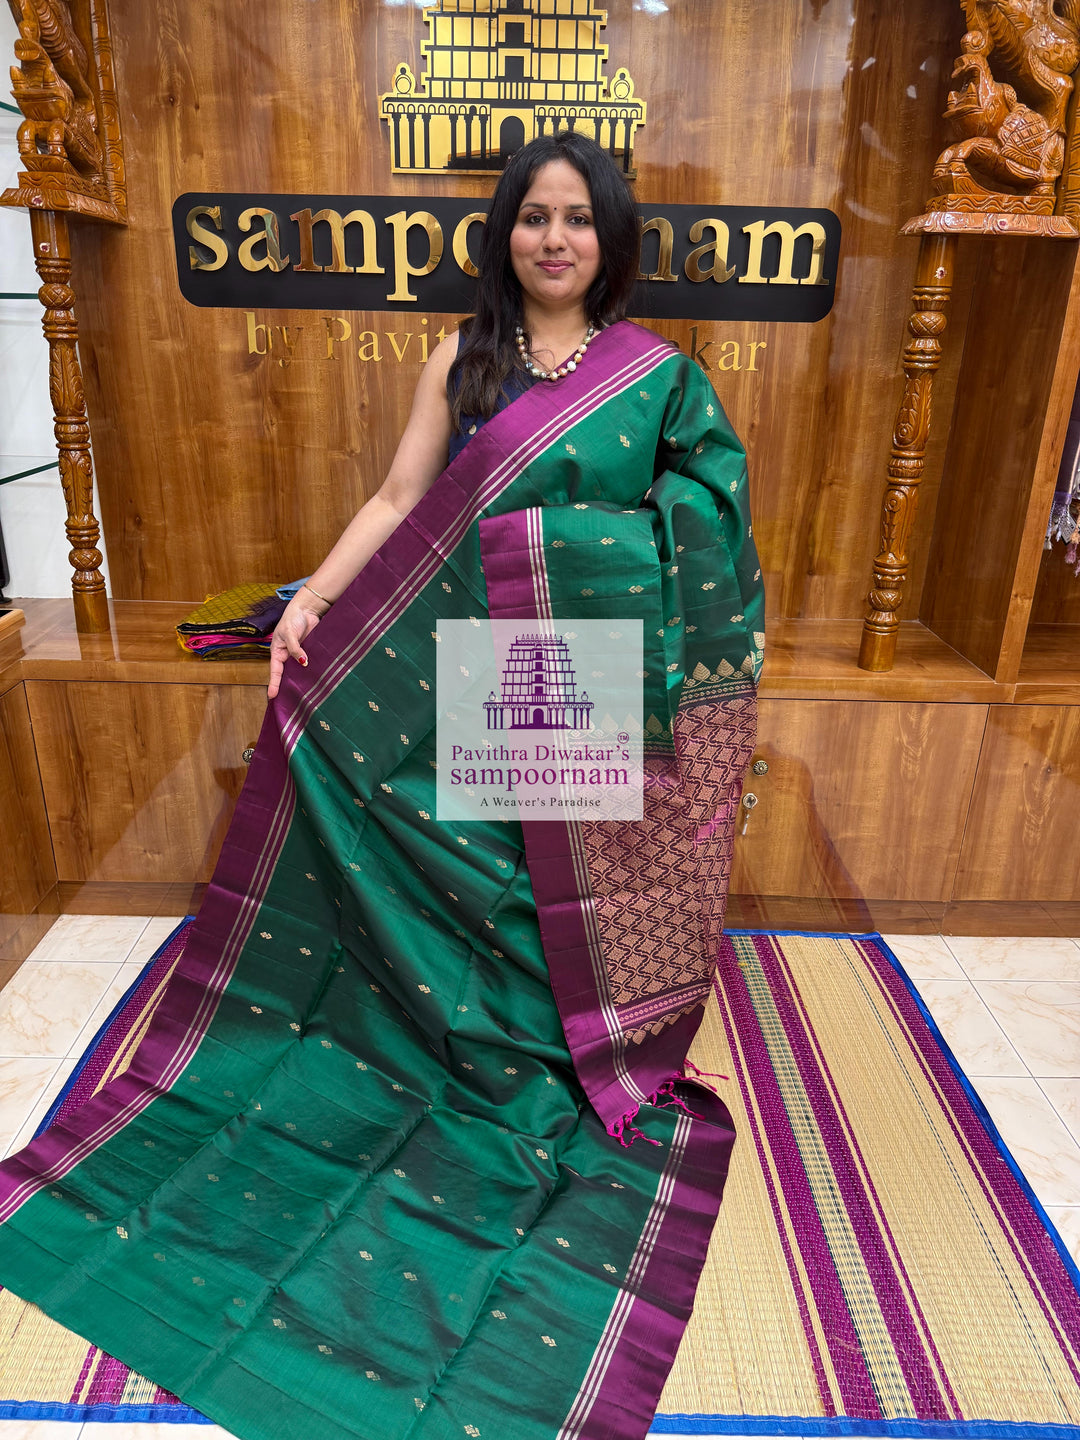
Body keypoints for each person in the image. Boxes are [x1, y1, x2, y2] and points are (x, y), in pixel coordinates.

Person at [0, 132, 764, 1440]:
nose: (556, 239)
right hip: (457, 657)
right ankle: (421, 1045)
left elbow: (712, 522)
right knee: (460, 872)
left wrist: (566, 548)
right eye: (534, 217)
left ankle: (533, 1060)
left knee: (541, 887)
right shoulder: (464, 361)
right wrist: (311, 603)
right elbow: (402, 496)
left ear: (611, 237)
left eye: (578, 218)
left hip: (580, 662)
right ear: (505, 233)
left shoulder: (660, 380)